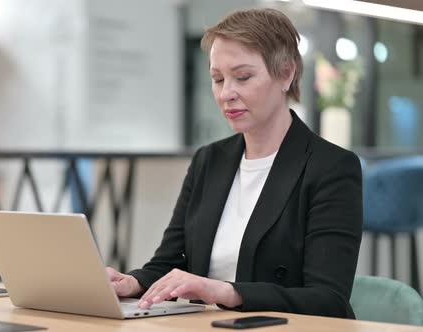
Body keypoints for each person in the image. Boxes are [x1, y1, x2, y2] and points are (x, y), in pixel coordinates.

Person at [106, 8, 362, 318]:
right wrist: (132, 282)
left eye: (243, 77)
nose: (227, 93)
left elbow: (328, 299)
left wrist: (226, 290)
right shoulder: (209, 160)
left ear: (286, 73)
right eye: (217, 79)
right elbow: (169, 263)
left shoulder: (331, 168)